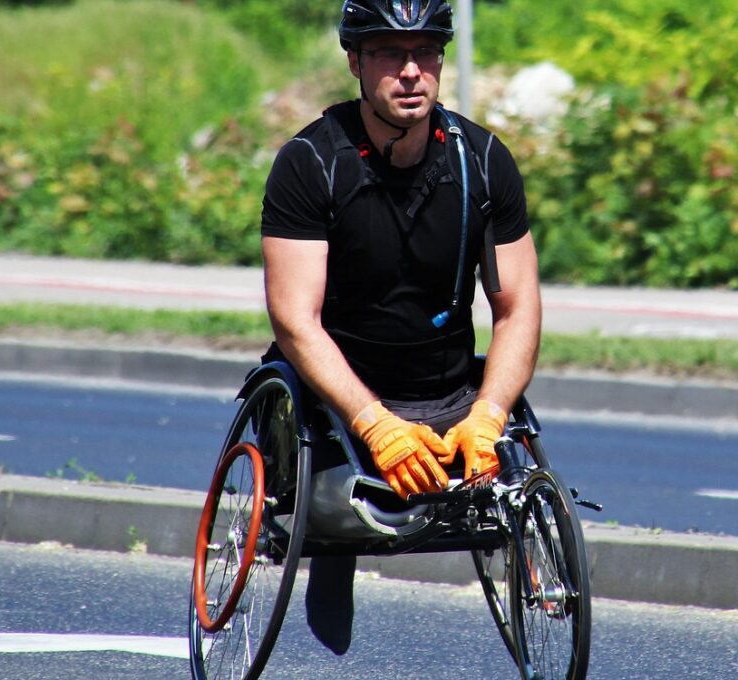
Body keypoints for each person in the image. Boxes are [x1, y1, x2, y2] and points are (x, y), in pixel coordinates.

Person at [258, 0, 542, 655]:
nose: (411, 71)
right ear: (355, 61)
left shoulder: (483, 160)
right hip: (337, 397)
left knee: (510, 464)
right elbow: (295, 320)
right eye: (389, 53)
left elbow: (518, 307)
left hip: (448, 386)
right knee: (337, 500)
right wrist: (373, 422)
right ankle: (335, 545)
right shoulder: (310, 162)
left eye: (426, 52)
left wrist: (490, 413)